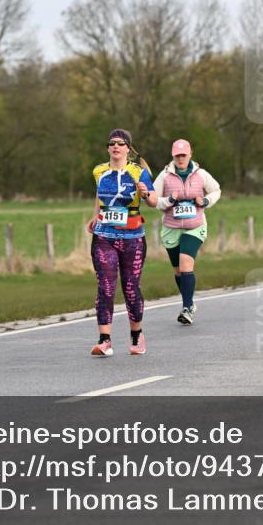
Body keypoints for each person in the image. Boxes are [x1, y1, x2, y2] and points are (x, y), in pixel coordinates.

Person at [87, 129, 158, 356]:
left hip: (132, 238)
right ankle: (104, 340)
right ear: (108, 148)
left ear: (128, 148)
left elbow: (155, 202)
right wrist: (95, 215)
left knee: (130, 288)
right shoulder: (99, 171)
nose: (116, 147)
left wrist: (146, 194)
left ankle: (137, 335)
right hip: (104, 236)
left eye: (120, 143)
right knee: (105, 287)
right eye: (112, 143)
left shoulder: (139, 172)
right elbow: (100, 196)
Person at [153, 139, 221, 324]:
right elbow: (153, 200)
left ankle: (187, 308)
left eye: (183, 155)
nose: (181, 159)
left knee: (185, 264)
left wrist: (205, 201)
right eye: (177, 156)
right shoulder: (165, 176)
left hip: (195, 226)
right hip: (171, 227)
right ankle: (189, 301)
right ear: (173, 156)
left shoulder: (201, 174)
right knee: (177, 271)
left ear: (190, 154)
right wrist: (168, 201)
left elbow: (216, 191)